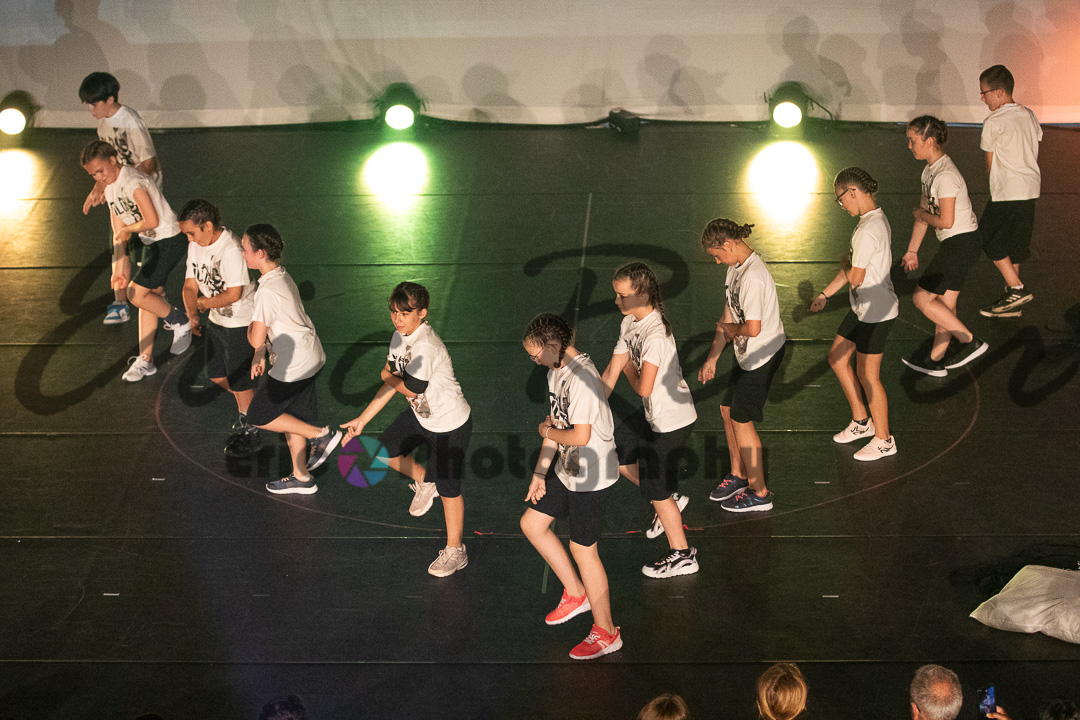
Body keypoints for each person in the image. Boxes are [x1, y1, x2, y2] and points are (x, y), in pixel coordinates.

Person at [340, 282, 473, 577]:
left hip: (450, 423)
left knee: (450, 490)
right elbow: (392, 382)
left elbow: (412, 389)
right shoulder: (399, 337)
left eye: (405, 313)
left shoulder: (426, 345)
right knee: (384, 451)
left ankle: (456, 550)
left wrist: (386, 375)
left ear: (422, 313)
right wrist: (363, 419)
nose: (397, 319)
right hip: (420, 416)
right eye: (394, 312)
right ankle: (425, 481)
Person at [520, 313, 622, 660]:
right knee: (532, 524)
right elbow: (557, 424)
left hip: (592, 475)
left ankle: (607, 632)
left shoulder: (583, 379)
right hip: (569, 467)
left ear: (553, 346)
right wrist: (539, 473)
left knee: (583, 551)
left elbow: (579, 436)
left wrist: (545, 431)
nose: (534, 361)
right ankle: (577, 594)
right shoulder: (556, 371)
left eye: (536, 355)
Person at [600, 262, 698, 578]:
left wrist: (629, 366)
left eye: (622, 295)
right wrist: (589, 410)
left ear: (642, 295)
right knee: (616, 457)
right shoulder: (629, 323)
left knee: (656, 490)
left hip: (673, 422)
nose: (616, 301)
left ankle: (683, 555)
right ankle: (669, 499)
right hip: (653, 415)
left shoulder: (656, 335)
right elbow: (611, 372)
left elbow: (643, 386)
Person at [80, 140, 192, 382]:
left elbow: (151, 220)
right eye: (93, 175)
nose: (99, 178)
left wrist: (128, 230)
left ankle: (179, 320)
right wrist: (118, 270)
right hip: (151, 243)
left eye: (101, 171)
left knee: (135, 294)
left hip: (169, 240)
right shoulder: (110, 189)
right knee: (149, 298)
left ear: (113, 160)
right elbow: (117, 233)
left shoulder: (133, 182)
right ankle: (145, 360)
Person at [242, 224, 341, 494]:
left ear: (260, 253)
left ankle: (321, 435)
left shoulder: (265, 292)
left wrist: (252, 333)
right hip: (310, 356)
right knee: (293, 418)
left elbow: (255, 338)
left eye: (245, 248)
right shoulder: (281, 275)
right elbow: (272, 329)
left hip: (294, 365)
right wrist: (261, 354)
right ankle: (302, 476)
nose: (242, 254)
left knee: (258, 414)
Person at [809, 167, 898, 461]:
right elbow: (851, 270)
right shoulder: (868, 222)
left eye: (841, 199)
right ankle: (862, 422)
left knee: (868, 376)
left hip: (876, 311)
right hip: (862, 308)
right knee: (837, 358)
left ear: (853, 192)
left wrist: (845, 262)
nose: (841, 205)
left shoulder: (869, 229)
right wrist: (825, 294)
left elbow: (855, 276)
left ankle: (884, 440)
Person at [698, 219, 785, 512]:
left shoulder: (753, 277)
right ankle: (738, 475)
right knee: (727, 409)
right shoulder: (735, 268)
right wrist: (712, 358)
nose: (716, 261)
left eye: (716, 255)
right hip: (747, 353)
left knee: (741, 419)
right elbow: (728, 315)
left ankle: (760, 494)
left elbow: (753, 328)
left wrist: (731, 330)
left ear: (728, 244)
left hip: (763, 355)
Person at [900, 116, 988, 377]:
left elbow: (944, 220)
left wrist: (922, 214)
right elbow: (923, 216)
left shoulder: (946, 176)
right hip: (958, 244)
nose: (909, 146)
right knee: (945, 308)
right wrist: (912, 251)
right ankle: (936, 362)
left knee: (921, 298)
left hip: (961, 243)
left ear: (929, 141)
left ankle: (969, 341)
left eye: (912, 141)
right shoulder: (929, 171)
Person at [79, 71, 161, 325]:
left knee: (151, 244)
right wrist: (99, 186)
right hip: (120, 190)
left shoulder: (130, 121)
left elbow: (148, 162)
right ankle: (120, 302)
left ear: (110, 99)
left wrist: (129, 186)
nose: (91, 109)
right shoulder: (104, 125)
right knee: (119, 240)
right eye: (88, 104)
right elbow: (107, 163)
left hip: (140, 191)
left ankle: (156, 299)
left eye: (94, 104)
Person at [178, 199, 259, 457]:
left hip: (240, 321)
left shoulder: (230, 249)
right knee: (216, 375)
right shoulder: (196, 246)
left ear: (208, 226)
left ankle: (251, 426)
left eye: (192, 233)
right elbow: (190, 285)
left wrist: (204, 303)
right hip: (216, 319)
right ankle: (255, 407)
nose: (189, 239)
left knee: (238, 380)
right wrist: (192, 314)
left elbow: (235, 294)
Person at [977, 64, 1042, 318]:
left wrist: (993, 188)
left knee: (987, 238)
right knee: (1013, 246)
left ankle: (1016, 288)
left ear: (999, 92)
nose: (982, 98)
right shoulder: (1029, 115)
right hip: (1029, 189)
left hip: (1007, 192)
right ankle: (1013, 302)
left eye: (984, 93)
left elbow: (990, 162)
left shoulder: (993, 121)